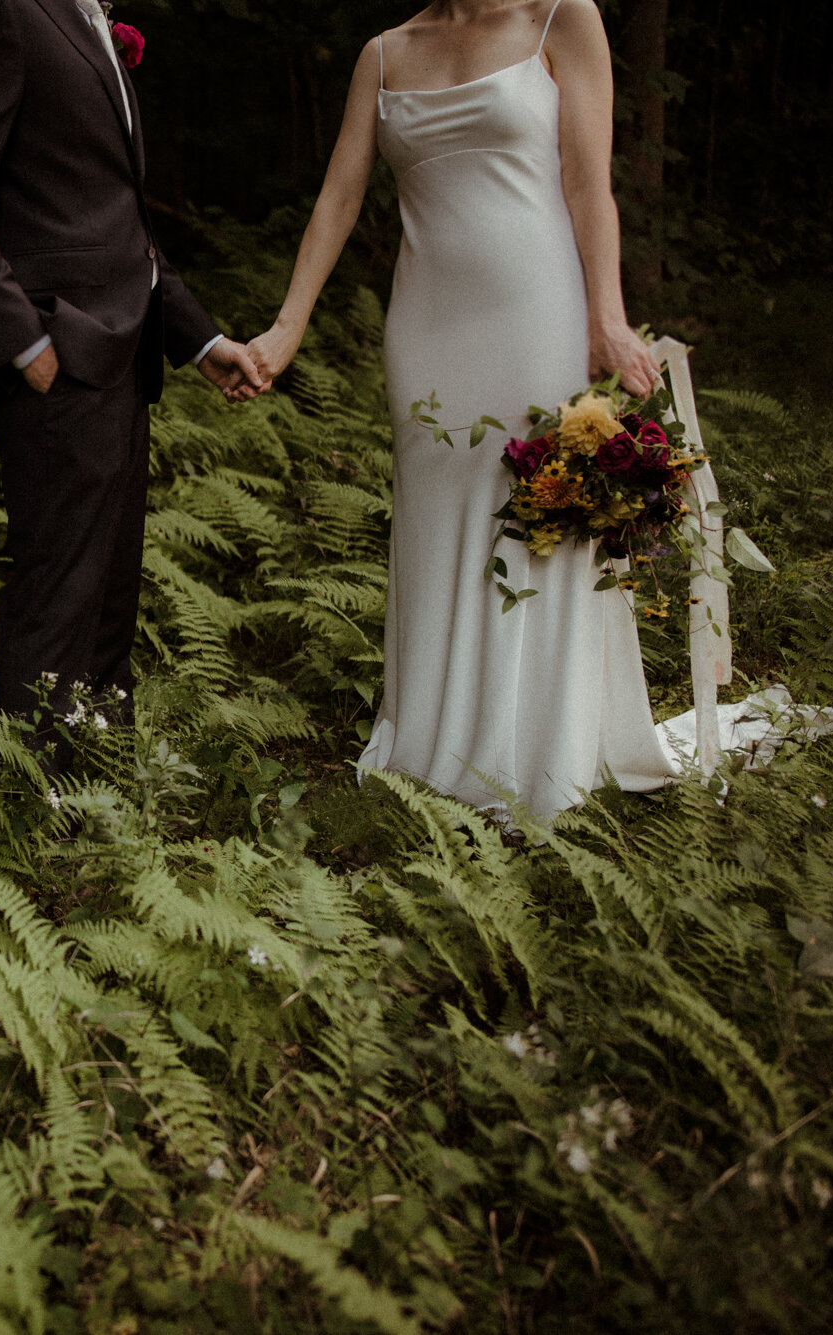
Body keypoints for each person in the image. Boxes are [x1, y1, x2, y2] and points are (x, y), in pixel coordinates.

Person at [246, 0, 679, 819]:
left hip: (537, 314)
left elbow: (590, 185)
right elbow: (338, 200)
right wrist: (286, 327)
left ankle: (541, 751)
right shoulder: (382, 53)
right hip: (428, 330)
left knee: (537, 516)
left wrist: (608, 317)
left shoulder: (563, 20)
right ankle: (437, 737)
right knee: (441, 521)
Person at [0, 0, 266, 765]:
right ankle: (35, 808)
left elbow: (112, 222)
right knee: (59, 594)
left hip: (124, 356)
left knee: (108, 596)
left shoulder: (88, 19)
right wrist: (24, 341)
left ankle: (102, 792)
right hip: (58, 358)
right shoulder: (0, 12)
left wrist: (199, 339)